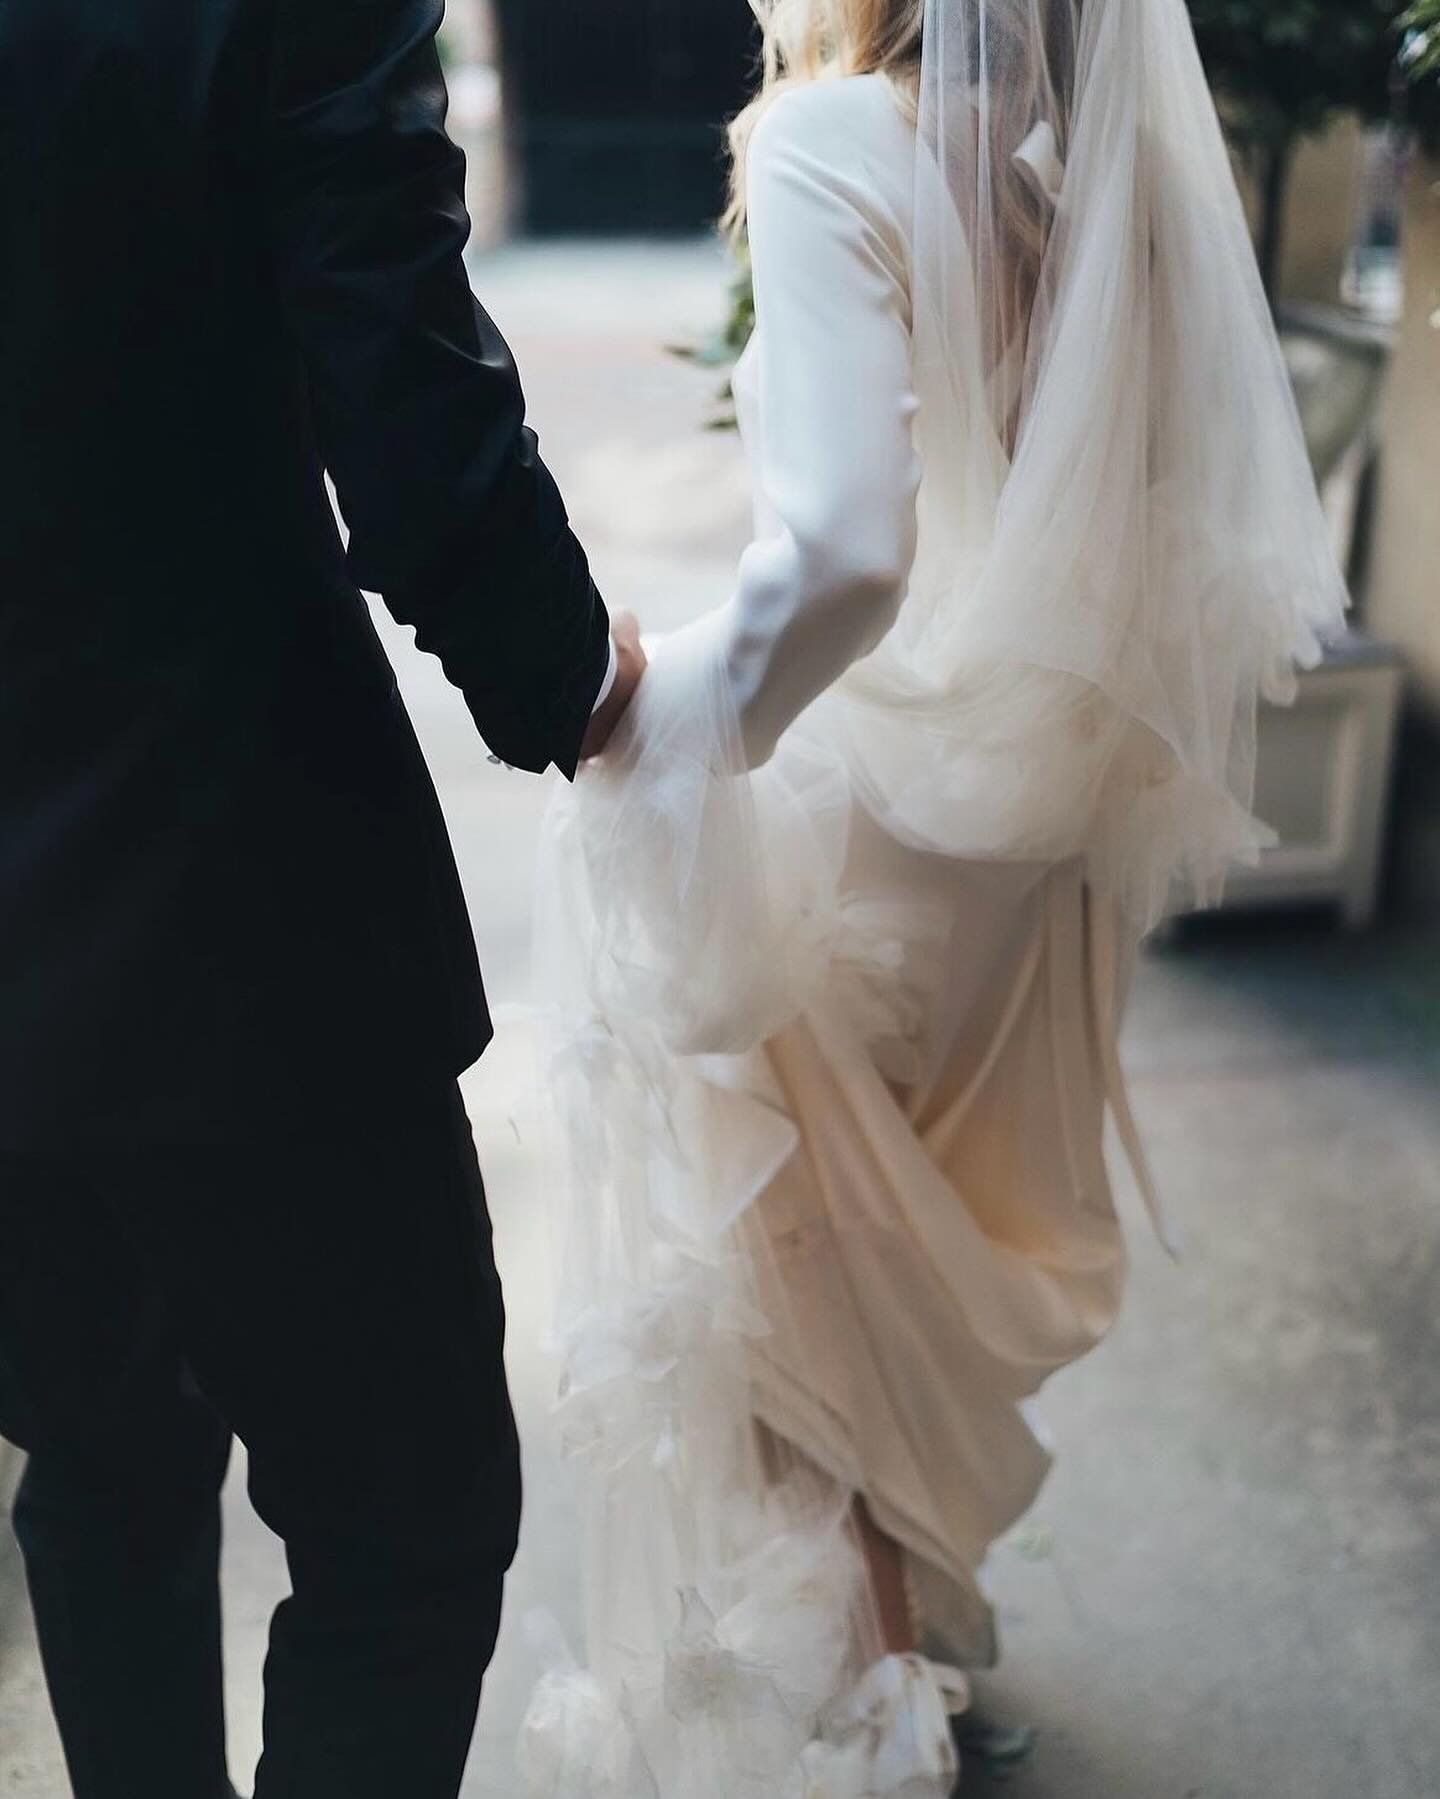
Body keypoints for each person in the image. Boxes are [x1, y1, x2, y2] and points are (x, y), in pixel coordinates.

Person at [522, 1, 1347, 1795]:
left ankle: (883, 1713)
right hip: (1035, 818)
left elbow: (844, 550)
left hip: (878, 802)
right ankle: (910, 1658)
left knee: (792, 1260)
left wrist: (667, 718)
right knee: (881, 1249)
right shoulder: (1087, 195)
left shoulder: (837, 145)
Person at [0, 4, 641, 1797]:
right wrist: (571, 670)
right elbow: (403, 382)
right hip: (236, 901)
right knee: (409, 1525)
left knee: (97, 1457)